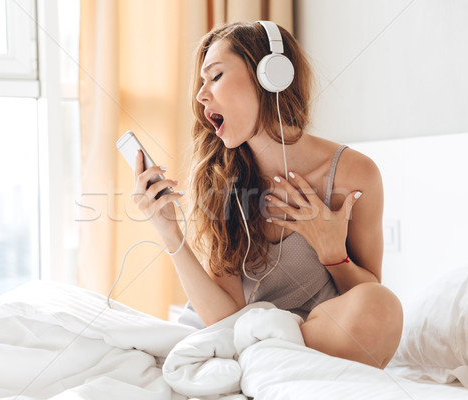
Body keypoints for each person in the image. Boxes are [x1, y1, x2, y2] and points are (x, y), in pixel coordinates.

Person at [131, 21, 403, 369]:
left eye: (215, 76)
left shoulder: (354, 173)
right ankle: (267, 357)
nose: (201, 95)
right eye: (201, 83)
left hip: (315, 336)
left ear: (271, 74)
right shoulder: (222, 180)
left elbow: (366, 297)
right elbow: (223, 319)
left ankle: (267, 357)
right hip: (236, 333)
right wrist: (170, 234)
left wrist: (334, 254)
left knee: (382, 307)